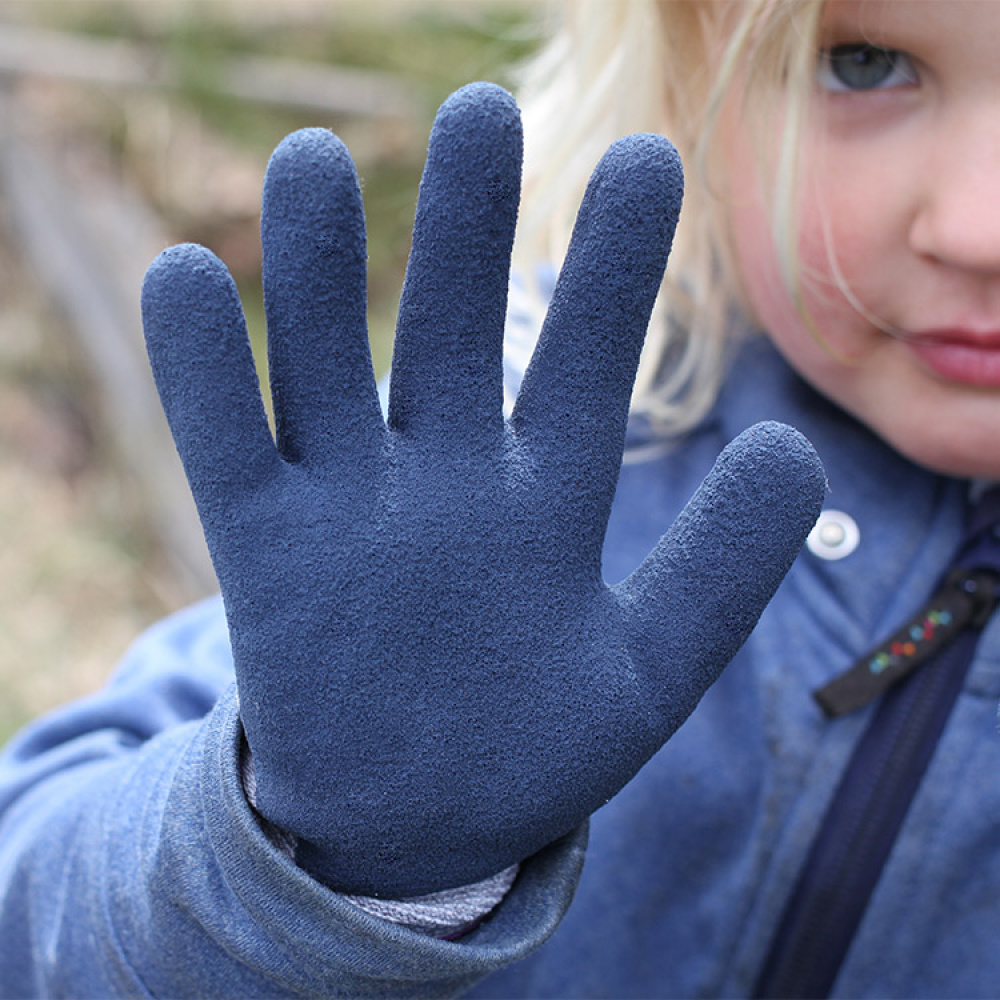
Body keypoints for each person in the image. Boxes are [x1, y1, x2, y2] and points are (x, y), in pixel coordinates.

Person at [2, 0, 999, 995]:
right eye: (864, 64)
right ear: (696, 75)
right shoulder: (506, 468)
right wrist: (329, 875)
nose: (975, 225)